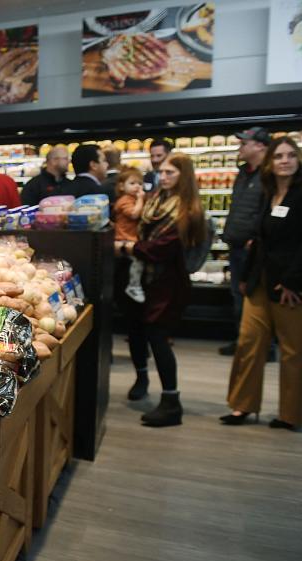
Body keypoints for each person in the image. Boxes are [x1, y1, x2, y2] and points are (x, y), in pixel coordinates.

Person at [115, 153, 206, 427]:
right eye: (163, 172)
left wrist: (126, 247)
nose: (164, 177)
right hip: (142, 280)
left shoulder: (187, 210)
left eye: (171, 173)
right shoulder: (156, 200)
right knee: (137, 331)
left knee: (158, 336)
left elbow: (162, 248)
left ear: (184, 176)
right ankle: (141, 377)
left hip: (166, 283)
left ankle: (171, 401)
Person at [221, 136, 302, 430]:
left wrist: (293, 282)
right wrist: (245, 277)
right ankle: (242, 406)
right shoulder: (269, 194)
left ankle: (290, 414)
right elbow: (259, 241)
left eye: (290, 155)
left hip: (289, 285)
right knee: (248, 342)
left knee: (293, 351)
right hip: (259, 281)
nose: (284, 160)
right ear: (271, 162)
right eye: (279, 156)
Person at [218, 127, 271, 356]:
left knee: (258, 297)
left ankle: (264, 346)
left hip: (255, 248)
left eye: (244, 144)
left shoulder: (269, 175)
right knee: (238, 295)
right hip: (237, 245)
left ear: (260, 146)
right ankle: (243, 340)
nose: (240, 148)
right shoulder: (243, 172)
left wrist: (256, 239)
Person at [112, 167, 147, 305]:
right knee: (137, 261)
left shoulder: (131, 198)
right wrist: (140, 199)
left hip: (130, 237)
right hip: (124, 238)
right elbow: (134, 214)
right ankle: (134, 285)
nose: (137, 186)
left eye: (139, 183)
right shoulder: (125, 200)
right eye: (132, 183)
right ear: (121, 186)